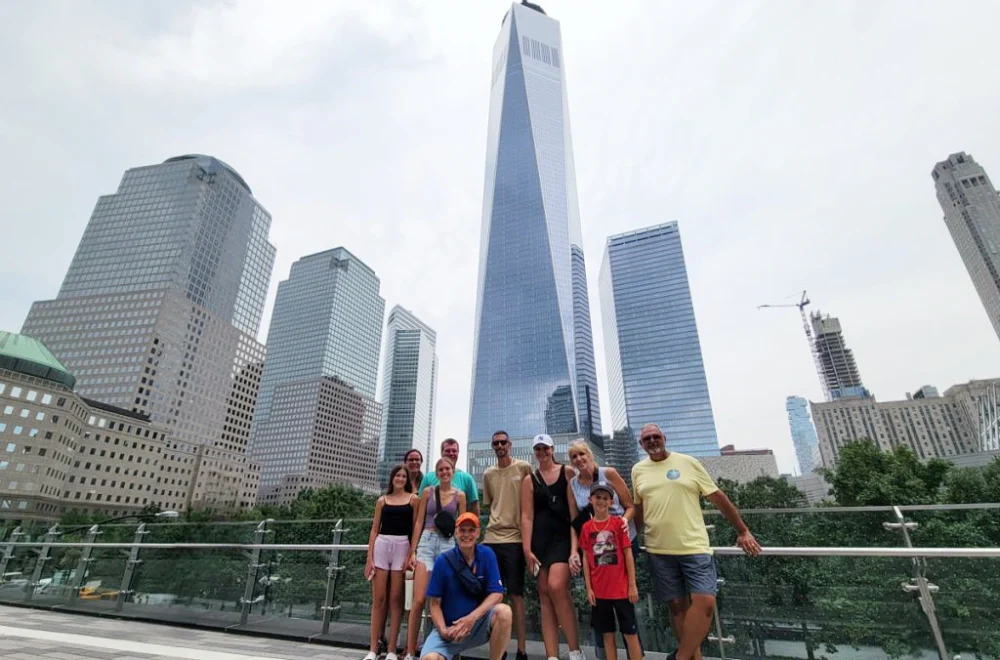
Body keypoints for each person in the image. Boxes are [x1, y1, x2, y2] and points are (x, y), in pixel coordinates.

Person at [632, 423, 762, 660]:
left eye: (655, 436)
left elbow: (718, 497)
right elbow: (639, 509)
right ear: (641, 444)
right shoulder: (638, 470)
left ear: (664, 438)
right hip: (658, 549)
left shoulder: (688, 462)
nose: (652, 441)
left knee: (705, 602)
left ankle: (680, 658)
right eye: (646, 439)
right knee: (677, 607)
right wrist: (629, 540)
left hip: (694, 547)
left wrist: (743, 531)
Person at [566, 440, 637, 660]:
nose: (579, 459)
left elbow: (630, 505)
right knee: (602, 611)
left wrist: (624, 522)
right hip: (594, 543)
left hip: (620, 537)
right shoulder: (574, 485)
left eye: (582, 454)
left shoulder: (609, 473)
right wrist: (573, 551)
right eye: (574, 457)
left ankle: (637, 655)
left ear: (590, 454)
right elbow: (574, 521)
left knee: (627, 607)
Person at [521, 433, 585, 660]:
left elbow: (573, 509)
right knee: (545, 594)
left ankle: (575, 650)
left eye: (545, 448)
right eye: (538, 449)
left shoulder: (567, 472)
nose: (542, 453)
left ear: (552, 449)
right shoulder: (530, 480)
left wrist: (574, 548)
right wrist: (527, 549)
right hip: (540, 542)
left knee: (557, 586)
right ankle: (552, 655)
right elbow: (527, 516)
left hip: (564, 538)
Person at [420, 513, 512, 660]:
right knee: (429, 658)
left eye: (471, 530)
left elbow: (497, 594)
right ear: (456, 532)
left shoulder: (487, 555)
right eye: (462, 530)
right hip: (450, 627)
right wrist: (444, 631)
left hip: (477, 625)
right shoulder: (443, 561)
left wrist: (471, 619)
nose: (466, 535)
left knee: (504, 612)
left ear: (478, 533)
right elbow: (435, 604)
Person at [406, 457, 468, 660]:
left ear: (453, 471)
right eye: (440, 469)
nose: (444, 472)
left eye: (447, 469)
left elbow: (463, 526)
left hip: (448, 545)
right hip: (427, 540)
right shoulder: (428, 492)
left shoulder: (460, 496)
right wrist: (412, 551)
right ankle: (409, 650)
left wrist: (463, 553)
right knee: (419, 600)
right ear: (436, 472)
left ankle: (444, 649)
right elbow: (419, 522)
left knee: (443, 600)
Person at [482, 430, 532, 660]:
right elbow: (491, 504)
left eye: (503, 442)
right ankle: (498, 652)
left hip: (515, 540)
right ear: (493, 447)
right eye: (496, 443)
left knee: (517, 595)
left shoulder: (523, 468)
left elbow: (531, 501)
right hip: (491, 539)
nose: (500, 445)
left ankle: (521, 650)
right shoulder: (488, 473)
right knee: (494, 596)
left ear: (510, 444)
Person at [580, 483, 642, 660]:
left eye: (605, 498)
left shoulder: (618, 524)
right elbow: (586, 558)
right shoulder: (586, 527)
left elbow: (628, 553)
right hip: (600, 592)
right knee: (607, 634)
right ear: (590, 500)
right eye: (597, 497)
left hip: (622, 590)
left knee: (630, 633)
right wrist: (589, 588)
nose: (601, 501)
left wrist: (632, 585)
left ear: (611, 501)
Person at [365, 465, 419, 660]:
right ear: (392, 478)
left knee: (396, 599)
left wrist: (411, 553)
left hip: (402, 546)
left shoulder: (413, 500)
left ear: (407, 479)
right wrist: (369, 558)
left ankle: (392, 651)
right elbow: (374, 529)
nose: (400, 478)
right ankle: (372, 649)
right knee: (379, 600)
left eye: (404, 476)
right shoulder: (382, 501)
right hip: (381, 546)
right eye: (397, 475)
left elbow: (415, 528)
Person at [420, 439, 480, 516]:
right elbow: (420, 505)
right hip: (429, 526)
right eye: (447, 451)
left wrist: (474, 526)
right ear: (441, 453)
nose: (451, 453)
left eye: (454, 451)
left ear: (458, 453)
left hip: (456, 526)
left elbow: (474, 505)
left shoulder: (467, 479)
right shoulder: (428, 477)